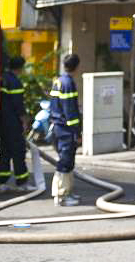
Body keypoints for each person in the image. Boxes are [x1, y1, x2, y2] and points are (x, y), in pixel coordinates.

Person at [49, 52, 83, 206]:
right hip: (66, 129)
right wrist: (77, 131)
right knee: (65, 161)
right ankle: (61, 196)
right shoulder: (69, 84)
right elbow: (70, 111)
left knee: (67, 161)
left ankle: (66, 192)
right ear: (76, 67)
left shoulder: (58, 81)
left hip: (58, 126)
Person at [0, 53, 31, 192]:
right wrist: (24, 120)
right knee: (18, 152)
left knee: (5, 152)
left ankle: (2, 183)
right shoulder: (15, 82)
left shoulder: (3, 79)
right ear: (20, 68)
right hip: (13, 123)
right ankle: (21, 183)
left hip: (2, 122)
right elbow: (18, 104)